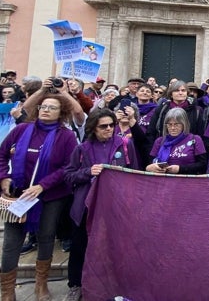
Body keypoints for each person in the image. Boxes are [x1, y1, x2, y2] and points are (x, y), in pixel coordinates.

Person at [0, 94, 78, 301]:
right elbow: (1, 154)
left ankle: (41, 284)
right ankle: (7, 291)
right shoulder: (22, 129)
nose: (46, 110)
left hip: (50, 196)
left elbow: (69, 166)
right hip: (18, 195)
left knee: (46, 236)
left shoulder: (66, 136)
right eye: (43, 106)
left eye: (52, 107)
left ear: (61, 113)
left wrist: (43, 185)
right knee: (11, 242)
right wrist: (3, 177)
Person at [63, 109, 140, 301]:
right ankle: (76, 284)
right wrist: (88, 171)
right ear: (93, 128)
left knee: (116, 246)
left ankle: (117, 284)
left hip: (116, 206)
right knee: (80, 246)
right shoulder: (82, 149)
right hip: (86, 206)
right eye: (103, 126)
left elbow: (135, 173)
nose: (108, 129)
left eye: (111, 125)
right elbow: (68, 175)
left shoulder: (125, 144)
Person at [147, 80, 205, 152]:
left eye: (183, 90)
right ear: (171, 94)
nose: (180, 93)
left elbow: (200, 133)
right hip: (164, 147)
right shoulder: (162, 109)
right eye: (177, 90)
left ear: (187, 93)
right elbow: (152, 131)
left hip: (188, 150)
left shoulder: (196, 110)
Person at [146, 108, 208, 175]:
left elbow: (203, 165)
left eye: (176, 124)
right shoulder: (159, 141)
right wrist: (150, 167)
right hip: (162, 181)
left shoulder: (195, 139)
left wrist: (180, 169)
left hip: (187, 181)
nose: (172, 128)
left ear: (184, 124)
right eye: (169, 124)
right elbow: (150, 163)